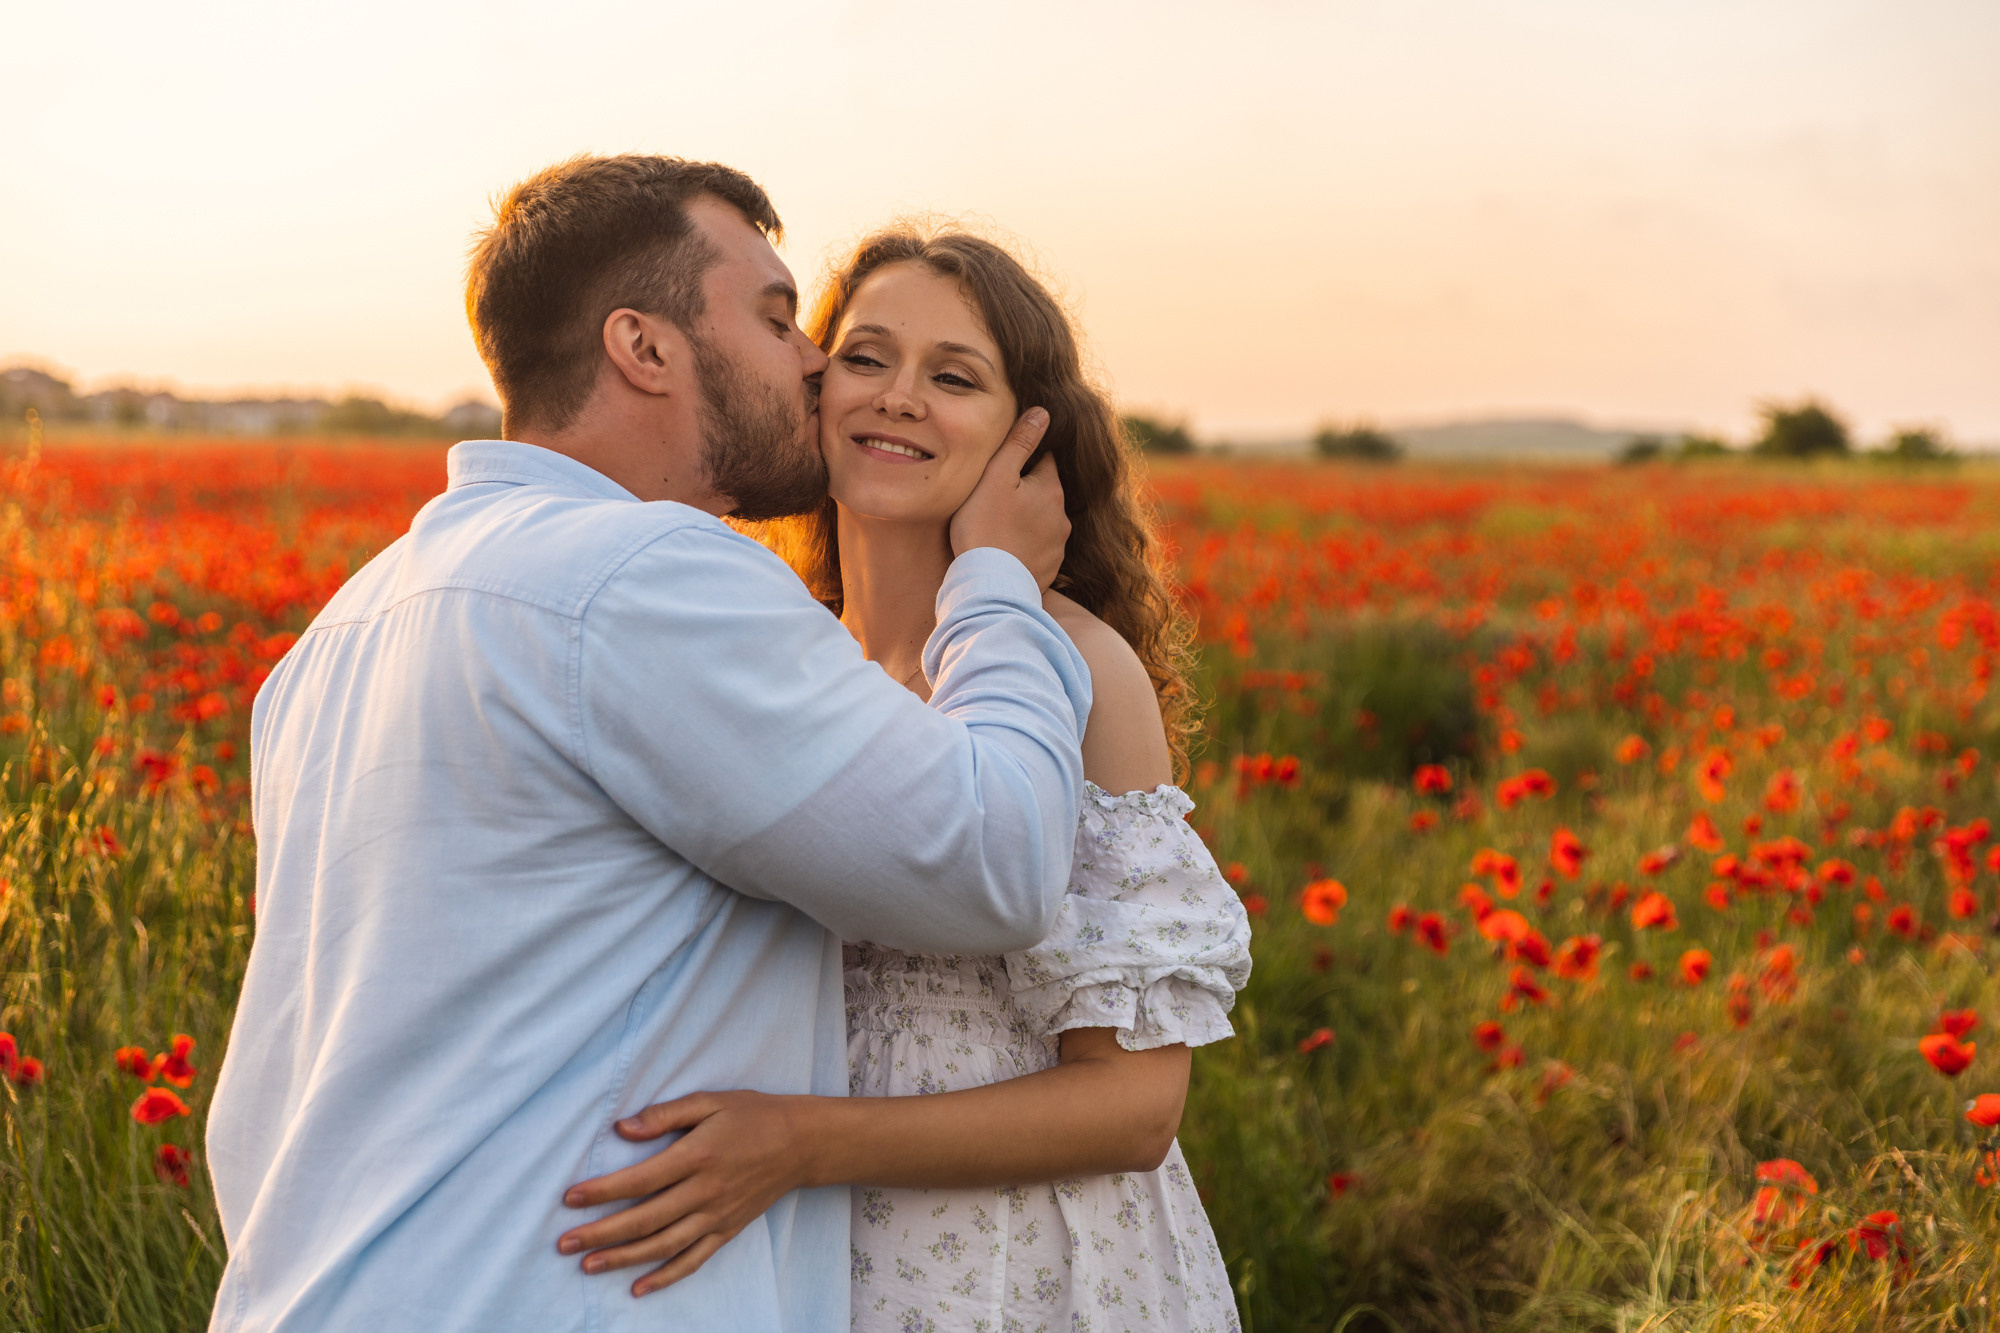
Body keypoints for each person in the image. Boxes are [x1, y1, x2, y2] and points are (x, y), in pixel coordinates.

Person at [204, 156, 1093, 1333]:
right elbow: (998, 859)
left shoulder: (347, 625)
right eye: (777, 319)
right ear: (646, 348)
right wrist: (993, 582)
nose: (818, 362)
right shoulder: (640, 578)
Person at [553, 228, 1251, 1332]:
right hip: (791, 1244)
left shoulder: (1078, 666)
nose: (899, 399)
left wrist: (801, 1142)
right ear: (814, 389)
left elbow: (1134, 1107)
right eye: (868, 358)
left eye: (955, 376)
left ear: (1028, 440)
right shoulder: (781, 661)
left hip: (1021, 1261)